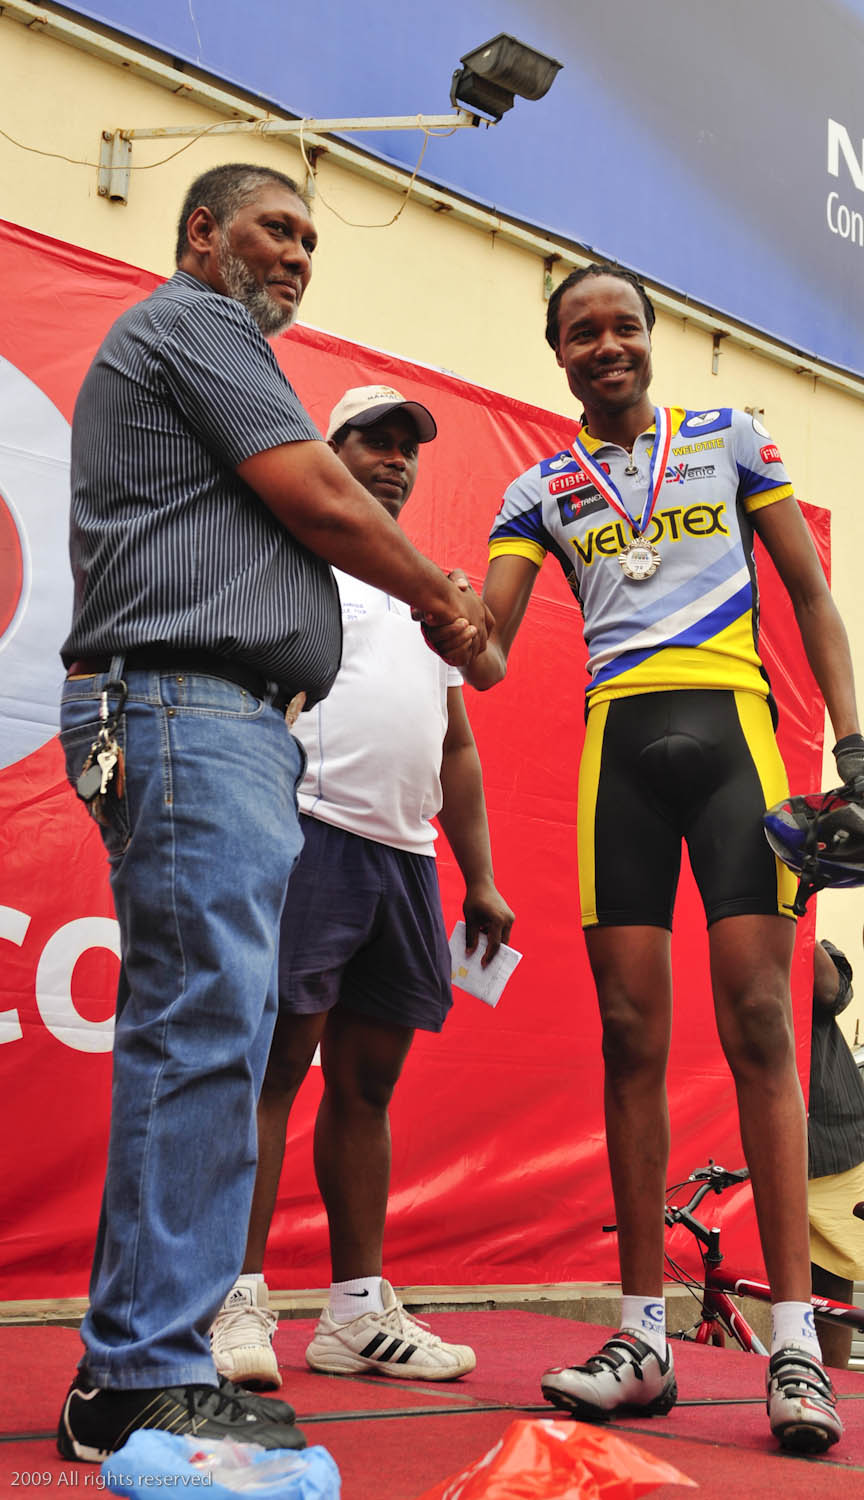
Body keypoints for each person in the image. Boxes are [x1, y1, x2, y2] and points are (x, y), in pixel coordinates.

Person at [55, 164, 488, 1464]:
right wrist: (444, 601)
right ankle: (140, 1371)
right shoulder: (196, 322)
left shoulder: (205, 351)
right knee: (202, 1037)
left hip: (222, 718)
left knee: (208, 1035)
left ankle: (146, 1363)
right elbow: (318, 494)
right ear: (203, 234)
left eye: (308, 238)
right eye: (273, 228)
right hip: (188, 703)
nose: (298, 252)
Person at [440, 261, 864, 1453]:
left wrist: (850, 740)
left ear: (650, 336)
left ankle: (794, 1345)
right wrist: (451, 616)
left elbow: (808, 594)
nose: (605, 345)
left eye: (621, 326)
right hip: (619, 756)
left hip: (736, 736)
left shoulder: (728, 438)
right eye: (580, 332)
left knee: (760, 1022)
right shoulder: (537, 488)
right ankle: (641, 1337)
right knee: (629, 1036)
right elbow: (489, 650)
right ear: (557, 355)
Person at [208, 385, 514, 1391]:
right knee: (274, 1070)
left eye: (405, 448)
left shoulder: (426, 589)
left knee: (367, 1087)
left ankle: (351, 1315)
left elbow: (456, 744)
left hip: (405, 858)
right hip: (308, 835)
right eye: (374, 442)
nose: (394, 460)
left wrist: (479, 875)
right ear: (328, 451)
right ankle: (233, 1296)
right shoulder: (292, 557)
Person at [808, 939, 864, 1370]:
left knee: (831, 1298)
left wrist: (799, 924)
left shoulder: (815, 945)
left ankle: (832, 1387)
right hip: (750, 1149)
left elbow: (830, 993)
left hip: (835, 1148)